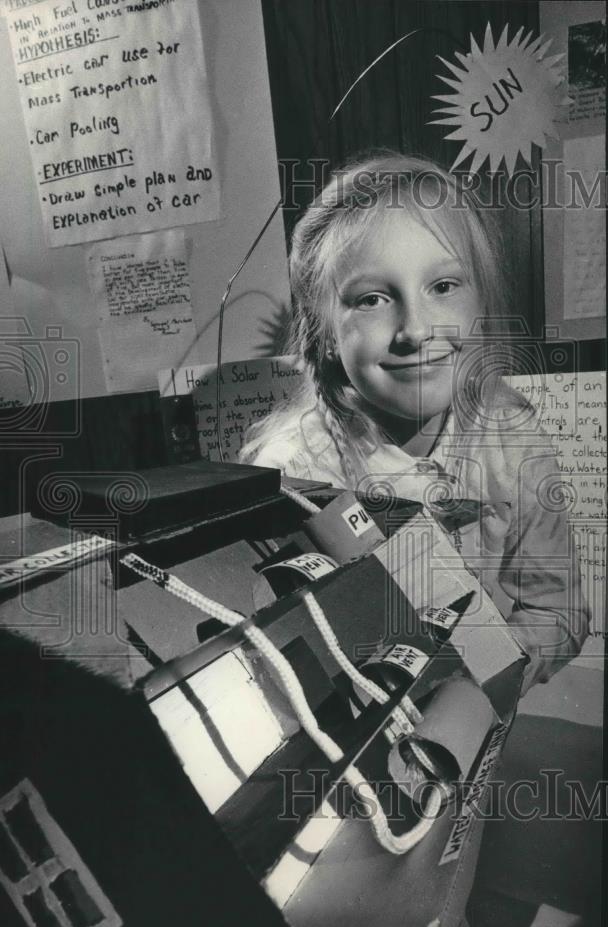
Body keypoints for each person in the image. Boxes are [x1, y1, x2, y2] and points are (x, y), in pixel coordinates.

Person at [240, 152, 590, 696]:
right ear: (324, 331)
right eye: (372, 299)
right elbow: (274, 640)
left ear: (483, 303)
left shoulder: (512, 441)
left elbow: (558, 607)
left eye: (443, 286)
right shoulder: (287, 472)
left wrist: (487, 680)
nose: (416, 330)